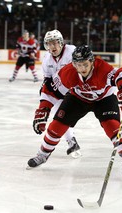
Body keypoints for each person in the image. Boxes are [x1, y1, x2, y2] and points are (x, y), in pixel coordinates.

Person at [27, 45, 122, 181]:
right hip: (78, 98)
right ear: (73, 64)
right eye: (78, 65)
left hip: (104, 99)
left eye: (85, 64)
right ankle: (42, 155)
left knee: (113, 127)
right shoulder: (68, 72)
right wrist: (43, 110)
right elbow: (50, 91)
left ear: (92, 61)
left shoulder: (102, 68)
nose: (82, 69)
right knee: (56, 126)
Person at [34, 29, 81, 158]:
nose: (52, 46)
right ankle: (72, 142)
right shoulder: (47, 59)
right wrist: (46, 92)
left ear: (61, 43)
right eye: (49, 44)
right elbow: (48, 80)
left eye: (55, 43)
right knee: (60, 116)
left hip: (80, 90)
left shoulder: (72, 51)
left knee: (103, 110)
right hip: (62, 93)